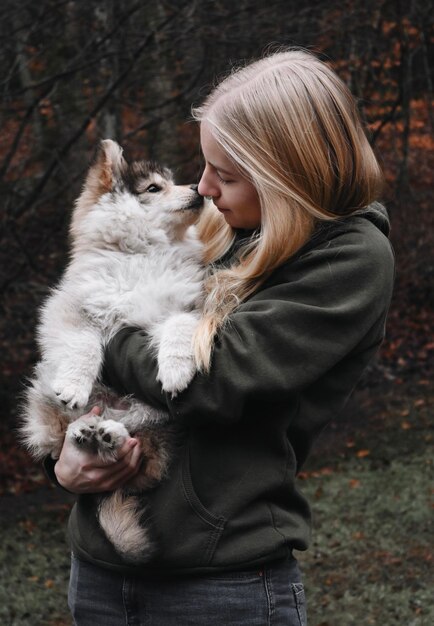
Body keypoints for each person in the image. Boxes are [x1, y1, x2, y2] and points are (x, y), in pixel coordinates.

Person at [47, 49, 395, 625]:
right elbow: (71, 359)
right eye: (205, 166)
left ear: (288, 172)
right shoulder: (215, 225)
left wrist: (97, 331)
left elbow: (212, 382)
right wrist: (64, 462)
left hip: (223, 584)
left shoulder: (349, 259)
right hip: (103, 568)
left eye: (226, 174)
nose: (203, 188)